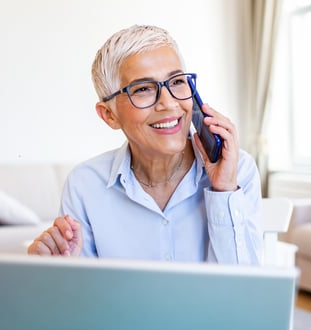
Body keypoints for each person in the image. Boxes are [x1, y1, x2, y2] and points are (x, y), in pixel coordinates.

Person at [27, 24, 263, 264]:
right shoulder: (84, 185)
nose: (169, 103)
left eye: (177, 82)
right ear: (109, 115)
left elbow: (246, 292)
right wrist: (55, 271)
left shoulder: (238, 170)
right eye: (143, 89)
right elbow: (82, 296)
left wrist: (224, 191)